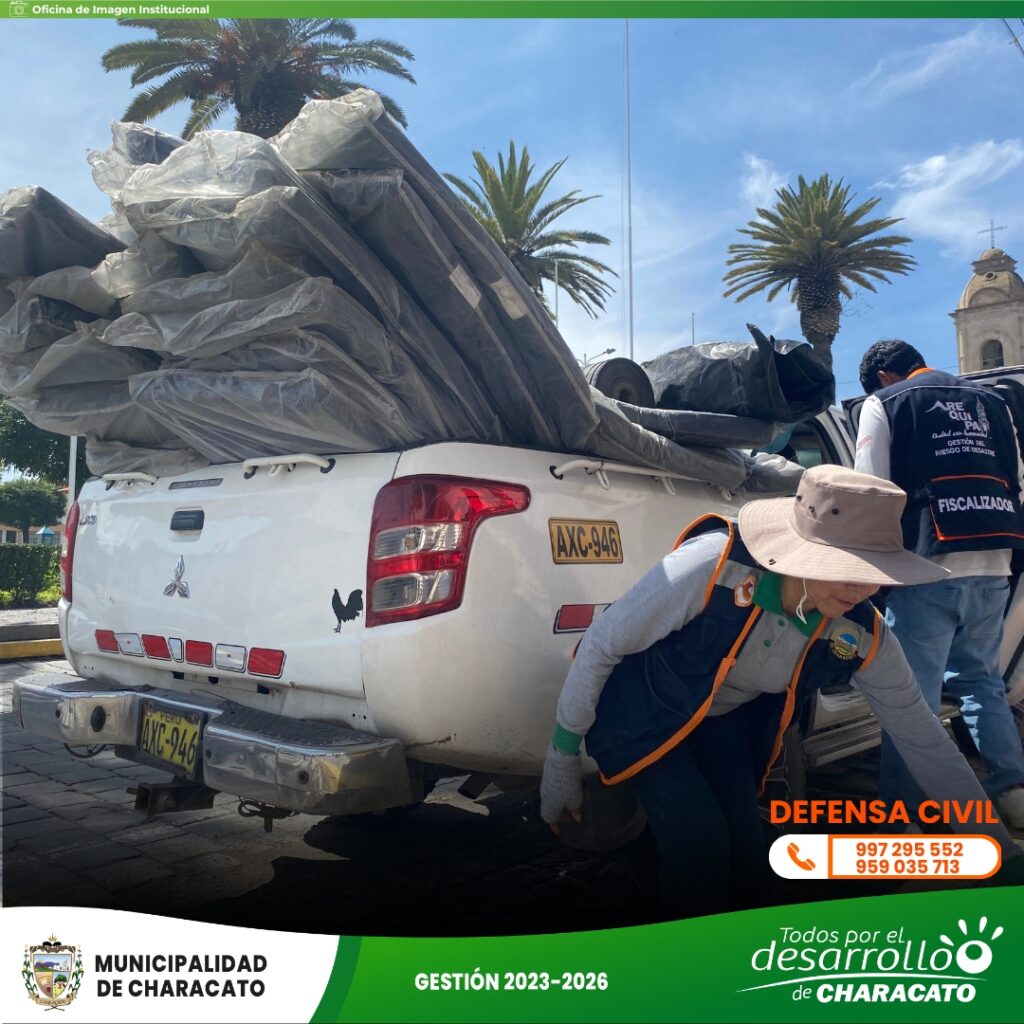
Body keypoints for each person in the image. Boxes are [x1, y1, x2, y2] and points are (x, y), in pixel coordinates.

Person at [540, 466, 1023, 917]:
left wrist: (999, 853)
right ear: (802, 550)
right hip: (642, 711)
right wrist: (561, 756)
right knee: (699, 844)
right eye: (847, 567)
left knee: (752, 861)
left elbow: (923, 737)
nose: (861, 589)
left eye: (874, 572)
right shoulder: (713, 566)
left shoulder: (860, 632)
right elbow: (602, 643)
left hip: (722, 722)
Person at [855, 340, 1024, 829]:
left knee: (912, 698)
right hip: (994, 561)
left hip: (926, 564)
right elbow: (1015, 477)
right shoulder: (995, 402)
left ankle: (905, 813)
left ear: (884, 377)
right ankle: (1012, 791)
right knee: (981, 682)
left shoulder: (885, 403)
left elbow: (870, 491)